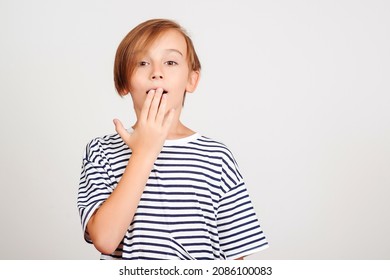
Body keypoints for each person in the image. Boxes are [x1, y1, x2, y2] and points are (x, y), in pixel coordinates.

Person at [77, 18, 268, 260]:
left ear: (192, 80)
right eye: (142, 62)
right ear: (124, 82)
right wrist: (144, 152)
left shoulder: (216, 157)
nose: (157, 73)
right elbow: (105, 239)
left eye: (170, 62)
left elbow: (236, 256)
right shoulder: (101, 151)